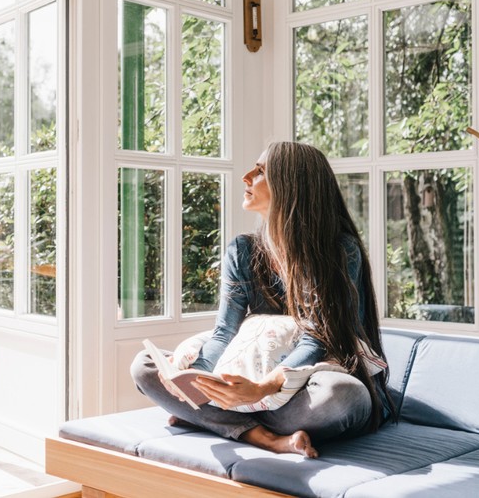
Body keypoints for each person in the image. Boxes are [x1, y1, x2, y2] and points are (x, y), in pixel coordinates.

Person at [130, 141, 396, 458]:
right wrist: (198, 381)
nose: (246, 176)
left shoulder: (339, 250)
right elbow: (224, 333)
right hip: (256, 389)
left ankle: (218, 420)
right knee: (145, 367)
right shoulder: (242, 251)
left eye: (260, 171)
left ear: (291, 185)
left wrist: (262, 389)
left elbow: (318, 339)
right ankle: (264, 437)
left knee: (341, 397)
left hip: (305, 380)